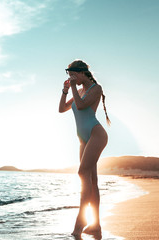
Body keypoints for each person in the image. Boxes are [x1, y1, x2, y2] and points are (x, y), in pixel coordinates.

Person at [58, 60, 110, 238]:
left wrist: (72, 86)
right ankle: (96, 226)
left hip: (96, 135)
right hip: (83, 139)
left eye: (73, 75)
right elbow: (62, 109)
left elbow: (81, 106)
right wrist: (66, 90)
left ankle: (80, 223)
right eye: (69, 76)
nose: (72, 78)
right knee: (92, 182)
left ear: (81, 73)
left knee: (82, 174)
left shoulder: (96, 88)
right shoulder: (78, 90)